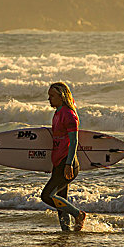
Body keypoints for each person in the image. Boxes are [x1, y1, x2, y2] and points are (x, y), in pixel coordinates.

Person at [41, 82, 86, 231]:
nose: (49, 99)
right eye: (49, 96)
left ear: (61, 96)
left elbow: (74, 142)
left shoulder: (69, 114)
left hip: (67, 163)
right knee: (61, 201)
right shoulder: (58, 113)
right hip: (59, 162)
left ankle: (78, 214)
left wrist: (68, 164)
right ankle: (66, 232)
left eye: (52, 96)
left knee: (47, 196)